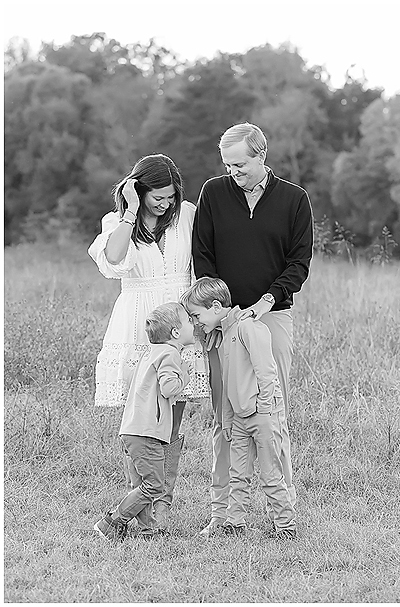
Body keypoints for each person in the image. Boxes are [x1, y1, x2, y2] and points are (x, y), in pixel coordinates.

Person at [192, 122, 312, 537]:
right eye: (227, 165)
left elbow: (298, 264)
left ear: (261, 155)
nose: (232, 173)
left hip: (271, 318)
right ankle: (224, 515)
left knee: (270, 416)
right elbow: (202, 255)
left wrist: (264, 303)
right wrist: (220, 312)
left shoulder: (296, 200)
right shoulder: (213, 192)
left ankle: (283, 515)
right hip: (223, 321)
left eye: (239, 165)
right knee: (225, 420)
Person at [184, 277, 298, 539]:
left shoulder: (248, 327)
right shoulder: (223, 336)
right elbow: (226, 383)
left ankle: (285, 525)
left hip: (262, 414)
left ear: (215, 306)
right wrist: (226, 420)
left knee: (271, 473)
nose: (195, 322)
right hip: (239, 419)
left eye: (196, 315)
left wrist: (266, 409)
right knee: (238, 474)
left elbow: (266, 370)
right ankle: (235, 523)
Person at [89, 154, 196, 409]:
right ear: (139, 191)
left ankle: (171, 451)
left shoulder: (187, 214)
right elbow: (114, 258)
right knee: (141, 408)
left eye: (171, 198)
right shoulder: (117, 221)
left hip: (178, 315)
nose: (166, 205)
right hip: (139, 318)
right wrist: (131, 211)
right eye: (157, 198)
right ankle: (144, 451)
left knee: (175, 398)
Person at [94, 302, 195, 540]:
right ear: (176, 333)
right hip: (148, 432)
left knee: (139, 484)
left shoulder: (150, 352)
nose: (194, 324)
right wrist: (185, 375)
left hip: (131, 429)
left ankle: (150, 530)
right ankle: (112, 521)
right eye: (189, 321)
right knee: (154, 486)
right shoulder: (170, 354)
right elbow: (169, 388)